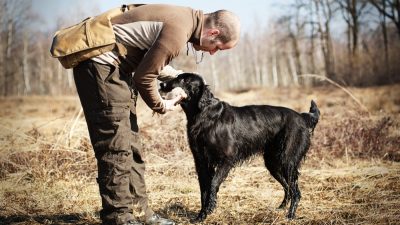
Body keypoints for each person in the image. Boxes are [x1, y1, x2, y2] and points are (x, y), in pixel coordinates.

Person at [51, 3, 240, 225]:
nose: (212, 52)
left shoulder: (184, 19)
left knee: (131, 148)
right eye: (217, 47)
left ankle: (141, 214)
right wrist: (163, 105)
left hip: (116, 71)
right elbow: (144, 77)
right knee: (116, 147)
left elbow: (149, 60)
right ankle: (119, 218)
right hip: (103, 69)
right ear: (213, 32)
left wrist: (178, 76)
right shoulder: (179, 32)